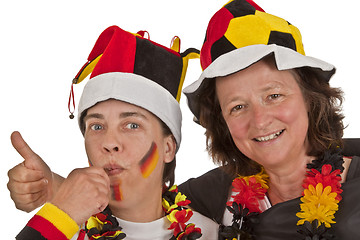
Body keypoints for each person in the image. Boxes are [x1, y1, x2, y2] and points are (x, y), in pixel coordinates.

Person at [9, 25, 218, 240]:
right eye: (97, 127)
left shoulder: (212, 234)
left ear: (168, 147)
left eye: (132, 125)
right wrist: (61, 212)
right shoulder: (58, 227)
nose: (109, 142)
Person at [179, 0, 360, 239]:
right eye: (238, 107)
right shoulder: (214, 193)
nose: (260, 120)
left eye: (274, 96)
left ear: (309, 98)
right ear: (223, 123)